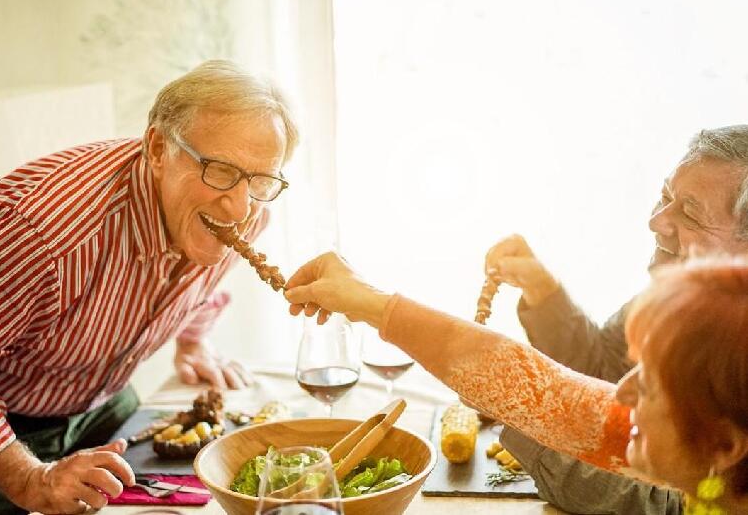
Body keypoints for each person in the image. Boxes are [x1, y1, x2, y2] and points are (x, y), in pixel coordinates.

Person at [0, 60, 298, 514]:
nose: (242, 205)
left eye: (261, 179)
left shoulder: (243, 210)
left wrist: (192, 342)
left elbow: (202, 279)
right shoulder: (43, 232)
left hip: (101, 401)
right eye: (220, 170)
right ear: (157, 147)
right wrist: (32, 479)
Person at [283, 252, 748, 513]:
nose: (619, 393)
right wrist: (370, 302)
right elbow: (536, 388)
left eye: (650, 384)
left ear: (724, 445)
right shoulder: (713, 468)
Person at [481, 124, 748, 514]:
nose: (656, 222)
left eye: (689, 212)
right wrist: (545, 293)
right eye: (665, 196)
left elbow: (667, 505)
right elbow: (606, 370)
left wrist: (526, 414)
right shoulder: (679, 287)